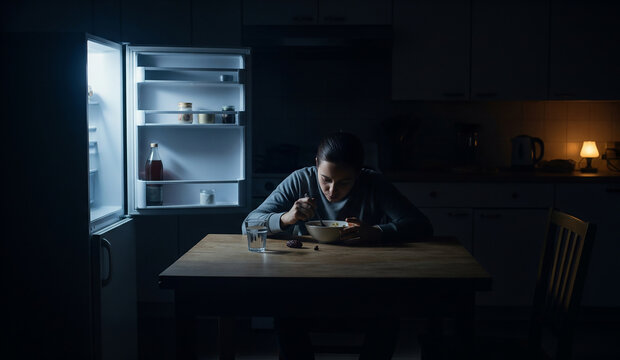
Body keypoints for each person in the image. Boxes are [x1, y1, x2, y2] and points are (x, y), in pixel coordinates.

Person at [243, 131, 433, 359]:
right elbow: (248, 224)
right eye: (325, 179)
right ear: (316, 164)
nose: (332, 191)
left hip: (365, 283)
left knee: (388, 316)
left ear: (359, 173)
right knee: (285, 313)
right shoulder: (300, 179)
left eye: (344, 182)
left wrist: (376, 232)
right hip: (307, 283)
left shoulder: (374, 183)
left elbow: (421, 225)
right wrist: (286, 217)